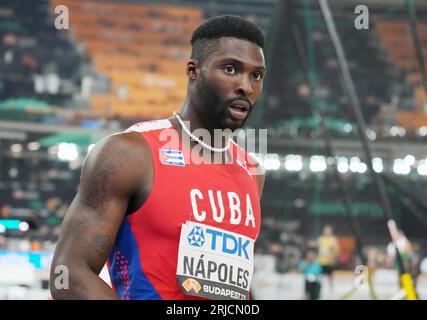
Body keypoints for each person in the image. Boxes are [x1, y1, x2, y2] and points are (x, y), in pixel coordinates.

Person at [50, 15, 266, 300]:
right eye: (230, 69)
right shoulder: (131, 153)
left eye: (256, 75)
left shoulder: (252, 171)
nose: (246, 87)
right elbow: (69, 273)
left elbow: (230, 287)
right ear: (194, 71)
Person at [317, 225, 340, 296]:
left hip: (329, 261)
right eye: (326, 230)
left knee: (330, 277)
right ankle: (320, 290)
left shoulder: (333, 239)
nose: (327, 232)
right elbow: (317, 247)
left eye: (328, 230)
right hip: (321, 261)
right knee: (320, 277)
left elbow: (337, 250)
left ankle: (331, 291)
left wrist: (334, 254)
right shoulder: (320, 239)